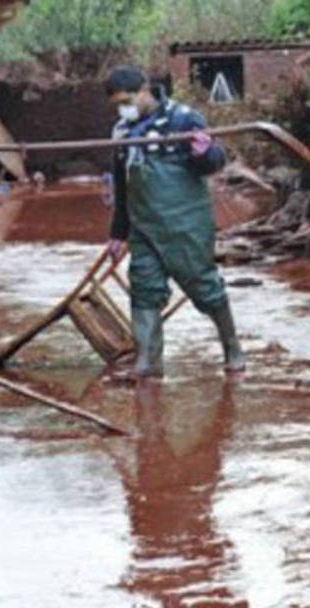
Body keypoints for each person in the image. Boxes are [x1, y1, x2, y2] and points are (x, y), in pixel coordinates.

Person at [105, 65, 244, 379]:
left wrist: (206, 152)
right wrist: (118, 233)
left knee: (205, 288)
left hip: (186, 225)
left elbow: (213, 163)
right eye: (116, 104)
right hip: (144, 227)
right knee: (143, 288)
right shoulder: (121, 132)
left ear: (145, 90)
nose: (121, 108)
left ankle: (232, 347)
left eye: (126, 100)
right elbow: (122, 185)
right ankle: (148, 363)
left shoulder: (183, 119)